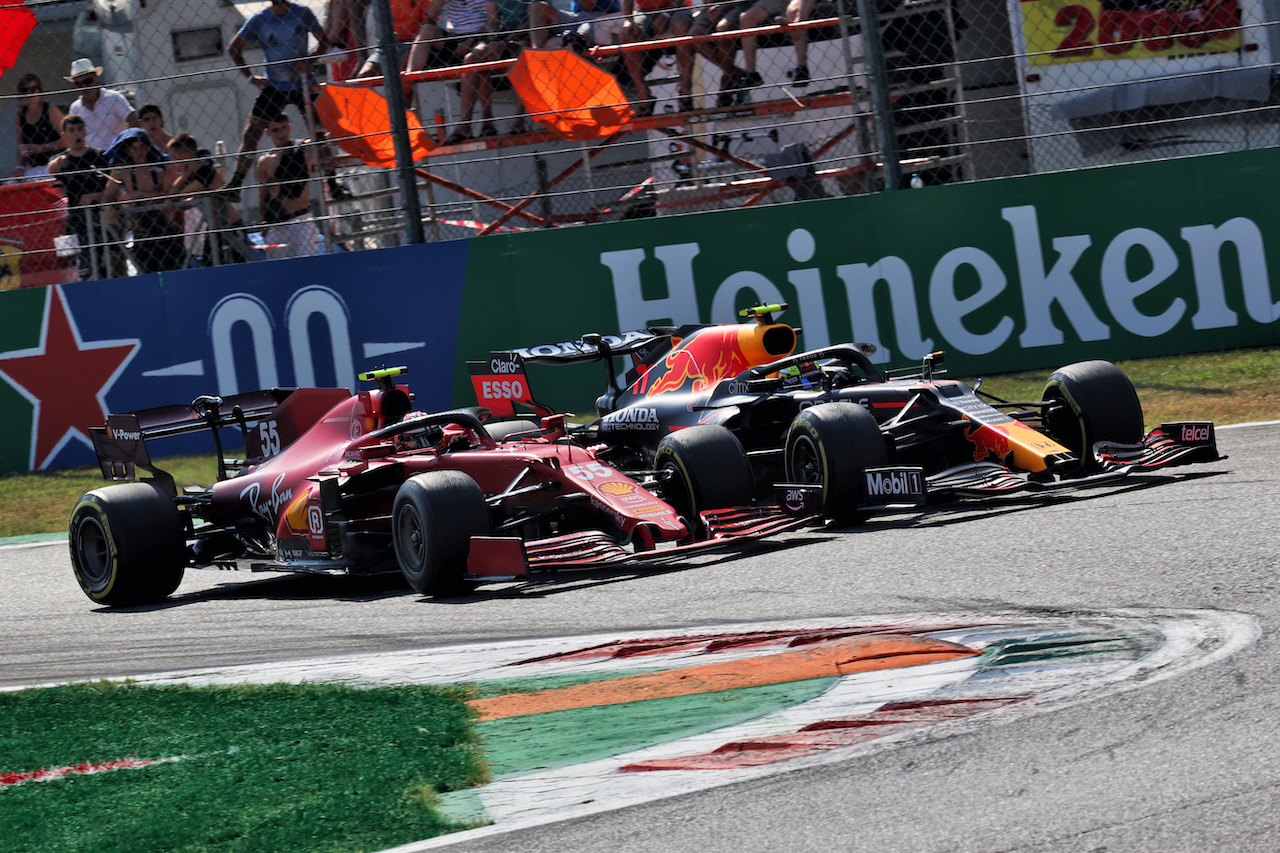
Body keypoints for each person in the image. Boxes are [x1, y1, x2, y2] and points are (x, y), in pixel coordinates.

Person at [226, 0, 352, 201]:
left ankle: (332, 184)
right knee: (251, 133)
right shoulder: (259, 20)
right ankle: (235, 184)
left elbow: (324, 40)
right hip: (275, 85)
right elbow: (234, 48)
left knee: (319, 133)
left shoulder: (302, 13)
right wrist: (250, 77)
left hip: (303, 82)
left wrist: (309, 62)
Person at [103, 127, 187, 274]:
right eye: (134, 148)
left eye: (142, 147)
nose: (139, 152)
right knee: (147, 276)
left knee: (176, 273)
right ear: (127, 151)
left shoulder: (159, 169)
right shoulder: (122, 171)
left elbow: (171, 196)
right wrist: (110, 207)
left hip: (165, 231)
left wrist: (138, 195)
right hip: (141, 234)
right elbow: (107, 197)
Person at [167, 132, 253, 265]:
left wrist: (187, 173)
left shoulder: (204, 173)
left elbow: (177, 195)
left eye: (174, 157)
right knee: (209, 264)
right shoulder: (195, 173)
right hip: (214, 228)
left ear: (185, 156)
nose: (171, 161)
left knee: (237, 265)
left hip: (230, 226)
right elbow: (183, 199)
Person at [47, 114, 111, 279]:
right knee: (74, 267)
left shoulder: (99, 157)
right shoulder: (63, 162)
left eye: (80, 129)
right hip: (75, 221)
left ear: (86, 131)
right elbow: (51, 169)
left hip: (101, 219)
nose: (77, 134)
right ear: (64, 135)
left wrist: (95, 196)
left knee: (110, 264)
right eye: (72, 130)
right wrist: (55, 165)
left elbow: (114, 189)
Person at [255, 115, 322, 259]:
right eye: (276, 130)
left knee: (307, 262)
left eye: (284, 128)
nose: (280, 134)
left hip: (302, 218)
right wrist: (263, 224)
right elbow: (262, 195)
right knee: (281, 268)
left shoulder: (304, 149)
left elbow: (321, 139)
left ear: (290, 128)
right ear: (268, 132)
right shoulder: (265, 161)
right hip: (278, 222)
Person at [618, 0, 694, 114]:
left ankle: (685, 92)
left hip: (678, 8)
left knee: (682, 28)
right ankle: (644, 96)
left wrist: (665, 14)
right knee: (628, 34)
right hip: (646, 12)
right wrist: (628, 19)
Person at [65, 58, 138, 151]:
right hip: (90, 156)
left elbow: (133, 118)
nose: (84, 87)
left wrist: (127, 143)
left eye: (87, 81)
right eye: (78, 84)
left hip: (117, 153)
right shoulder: (75, 108)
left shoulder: (113, 98)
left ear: (96, 79)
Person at [12, 73, 65, 180]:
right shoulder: (20, 114)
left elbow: (68, 140)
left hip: (55, 164)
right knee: (11, 184)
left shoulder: (50, 109)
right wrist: (20, 167)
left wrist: (41, 148)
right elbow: (21, 147)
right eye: (24, 90)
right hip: (34, 168)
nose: (29, 94)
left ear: (39, 90)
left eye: (32, 89)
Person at [528, 0, 624, 49]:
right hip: (577, 18)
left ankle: (576, 40)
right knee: (537, 7)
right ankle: (536, 55)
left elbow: (588, 4)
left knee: (583, 31)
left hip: (601, 17)